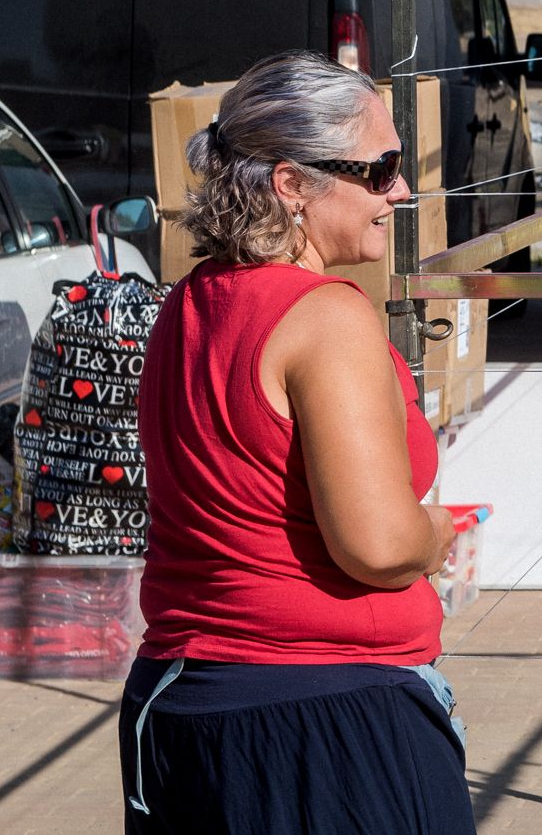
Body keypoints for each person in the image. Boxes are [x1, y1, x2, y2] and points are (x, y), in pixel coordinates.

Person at [120, 50, 470, 835]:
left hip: (183, 702)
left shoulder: (188, 303)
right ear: (291, 183)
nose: (400, 192)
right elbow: (378, 545)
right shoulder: (325, 316)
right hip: (322, 725)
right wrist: (436, 532)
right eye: (379, 171)